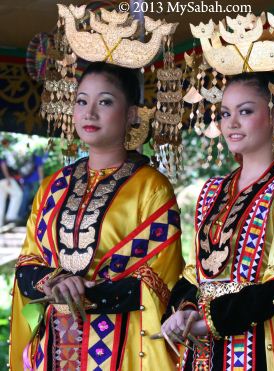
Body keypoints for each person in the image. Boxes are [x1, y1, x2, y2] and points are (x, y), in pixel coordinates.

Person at [10, 62, 184, 370]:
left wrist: (81, 291)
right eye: (81, 101)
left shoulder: (151, 188)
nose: (89, 113)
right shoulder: (52, 187)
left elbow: (157, 280)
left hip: (121, 349)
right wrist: (54, 282)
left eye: (104, 101)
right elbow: (26, 265)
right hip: (53, 349)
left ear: (131, 114)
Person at [161, 72, 274, 370]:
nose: (231, 123)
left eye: (245, 111)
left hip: (257, 344)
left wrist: (209, 322)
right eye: (226, 113)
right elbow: (194, 273)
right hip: (203, 348)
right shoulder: (211, 192)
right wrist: (184, 311)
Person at [18, 143, 45, 221]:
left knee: (25, 198)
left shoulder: (25, 158)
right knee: (37, 198)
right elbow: (40, 170)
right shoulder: (37, 158)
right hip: (35, 181)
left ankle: (22, 216)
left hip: (26, 181)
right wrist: (41, 180)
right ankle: (36, 216)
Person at [0, 138, 23, 228]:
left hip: (1, 180)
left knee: (1, 201)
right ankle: (11, 216)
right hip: (5, 179)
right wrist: (8, 177)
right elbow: (3, 164)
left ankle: (0, 223)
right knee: (18, 194)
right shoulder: (3, 152)